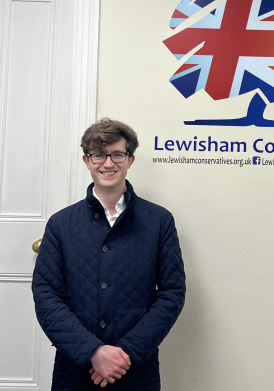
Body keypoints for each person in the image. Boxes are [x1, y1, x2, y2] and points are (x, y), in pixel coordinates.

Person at [33, 118, 186, 390]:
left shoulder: (160, 221)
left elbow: (172, 292)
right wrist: (93, 351)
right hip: (76, 367)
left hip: (136, 367)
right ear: (86, 160)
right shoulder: (60, 224)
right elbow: (47, 295)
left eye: (117, 154)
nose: (108, 163)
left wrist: (125, 353)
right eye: (99, 155)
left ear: (130, 160)